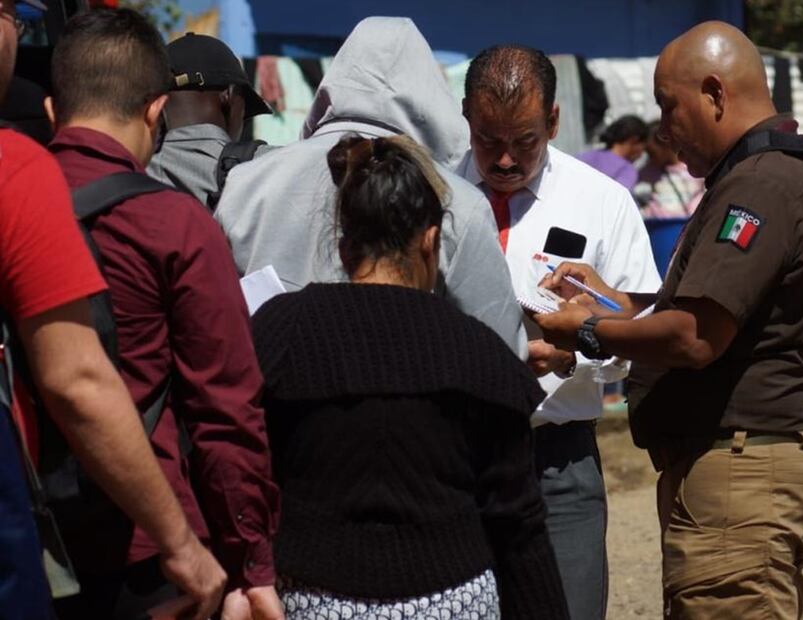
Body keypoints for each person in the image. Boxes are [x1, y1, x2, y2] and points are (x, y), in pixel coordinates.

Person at [534, 22, 803, 619]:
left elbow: (696, 335)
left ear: (714, 93)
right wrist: (613, 302)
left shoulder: (762, 184)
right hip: (734, 471)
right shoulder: (765, 176)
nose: (662, 127)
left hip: (739, 475)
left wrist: (587, 331)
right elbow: (710, 314)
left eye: (668, 105)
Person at [252, 134, 568, 620]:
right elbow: (517, 523)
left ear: (343, 244)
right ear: (431, 240)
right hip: (452, 603)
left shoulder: (280, 333)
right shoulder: (479, 353)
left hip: (310, 602)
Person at [44, 9, 281, 619]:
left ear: (52, 109)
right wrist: (249, 563)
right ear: (155, 112)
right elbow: (226, 409)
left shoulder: (15, 202)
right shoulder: (173, 224)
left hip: (25, 532)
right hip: (149, 550)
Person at [0, 2, 227, 619]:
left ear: (53, 111)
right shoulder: (20, 175)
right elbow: (80, 380)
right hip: (126, 542)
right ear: (158, 112)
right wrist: (201, 546)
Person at [458, 45, 661, 620]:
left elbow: (642, 331)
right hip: (450, 461)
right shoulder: (432, 193)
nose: (502, 160)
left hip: (559, 465)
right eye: (487, 139)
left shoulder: (603, 202)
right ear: (465, 118)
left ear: (553, 120)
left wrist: (576, 352)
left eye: (524, 141)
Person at [214, 17, 527, 359]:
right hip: (407, 406)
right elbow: (501, 350)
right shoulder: (455, 200)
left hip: (267, 403)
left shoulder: (248, 182)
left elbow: (213, 321)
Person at [147, 32, 274, 207]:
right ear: (229, 95)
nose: (243, 122)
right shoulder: (270, 166)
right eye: (245, 111)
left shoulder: (129, 169)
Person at [635, 120, 704, 218]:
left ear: (666, 145)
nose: (649, 158)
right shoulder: (645, 174)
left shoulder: (693, 169)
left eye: (651, 153)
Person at [576, 114, 648, 190]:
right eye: (643, 147)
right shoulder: (627, 171)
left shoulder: (587, 156)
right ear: (634, 140)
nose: (642, 154)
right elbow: (617, 198)